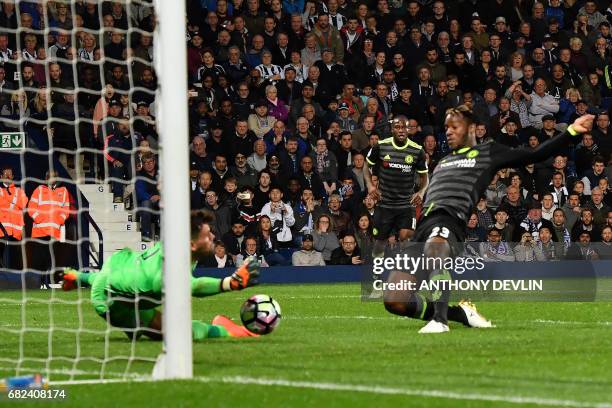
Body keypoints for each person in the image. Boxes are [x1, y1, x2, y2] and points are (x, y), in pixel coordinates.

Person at [382, 105, 594, 334]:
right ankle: (460, 313)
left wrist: (571, 131)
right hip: (423, 226)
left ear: (471, 128)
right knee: (395, 299)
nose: (449, 132)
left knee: (437, 248)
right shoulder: (443, 160)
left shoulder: (488, 152)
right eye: (446, 128)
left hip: (450, 221)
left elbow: (535, 154)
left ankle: (440, 321)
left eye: (454, 126)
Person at [62, 211, 260, 340]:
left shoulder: (180, 249)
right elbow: (193, 286)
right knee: (179, 336)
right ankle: (223, 330)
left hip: (122, 266)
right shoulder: (163, 274)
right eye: (207, 236)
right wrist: (230, 283)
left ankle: (76, 275)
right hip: (111, 303)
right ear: (192, 244)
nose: (213, 238)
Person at [364, 115, 429, 261]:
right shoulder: (381, 146)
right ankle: (377, 271)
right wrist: (370, 185)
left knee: (406, 237)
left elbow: (425, 177)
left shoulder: (417, 150)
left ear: (409, 129)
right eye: (398, 127)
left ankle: (403, 272)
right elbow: (366, 166)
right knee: (380, 242)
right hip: (384, 203)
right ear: (392, 129)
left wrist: (421, 191)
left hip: (406, 204)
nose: (401, 130)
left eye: (404, 127)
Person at [26, 170, 71, 288]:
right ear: (46, 178)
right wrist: (40, 219)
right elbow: (31, 208)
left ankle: (46, 282)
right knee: (39, 259)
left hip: (54, 231)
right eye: (49, 177)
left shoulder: (63, 191)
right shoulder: (39, 190)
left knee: (50, 259)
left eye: (54, 176)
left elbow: (66, 210)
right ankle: (38, 282)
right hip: (39, 232)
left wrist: (59, 221)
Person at [0, 165, 28, 269]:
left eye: (9, 174)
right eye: (5, 174)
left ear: (13, 176)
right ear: (1, 176)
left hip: (15, 233)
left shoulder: (19, 191)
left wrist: (5, 202)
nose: (7, 176)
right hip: (1, 232)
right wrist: (13, 201)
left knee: (15, 260)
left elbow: (24, 203)